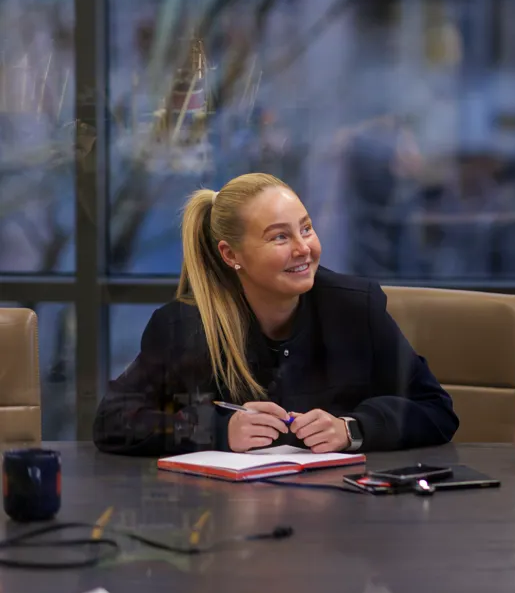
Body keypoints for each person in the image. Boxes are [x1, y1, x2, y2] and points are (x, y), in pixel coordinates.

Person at [93, 172, 459, 456]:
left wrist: (353, 429)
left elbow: (436, 409)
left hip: (342, 524)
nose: (304, 248)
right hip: (221, 521)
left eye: (306, 229)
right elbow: (114, 420)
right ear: (230, 255)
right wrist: (218, 431)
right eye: (280, 238)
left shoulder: (355, 307)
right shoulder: (186, 326)